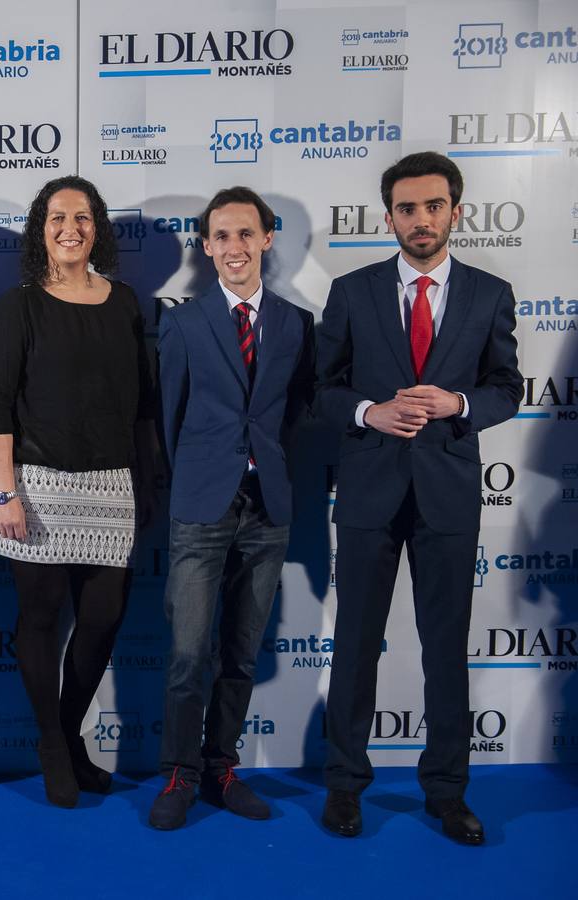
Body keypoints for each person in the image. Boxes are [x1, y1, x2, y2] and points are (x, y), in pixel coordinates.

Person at [316, 152, 522, 845]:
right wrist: (368, 411)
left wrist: (460, 401)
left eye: (434, 206)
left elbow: (506, 387)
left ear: (455, 212)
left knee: (445, 650)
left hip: (448, 495)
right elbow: (321, 390)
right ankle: (344, 786)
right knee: (354, 646)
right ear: (390, 218)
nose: (421, 219)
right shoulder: (352, 291)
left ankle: (447, 792)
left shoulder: (490, 294)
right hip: (372, 490)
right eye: (407, 208)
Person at [0, 175, 157, 808]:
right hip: (37, 484)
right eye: (57, 217)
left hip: (112, 483)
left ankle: (67, 733)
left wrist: (147, 483)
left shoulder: (129, 302)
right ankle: (55, 746)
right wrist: (4, 492)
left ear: (97, 227)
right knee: (41, 618)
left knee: (104, 617)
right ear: (40, 228)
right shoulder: (18, 306)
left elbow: (143, 407)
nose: (70, 228)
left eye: (82, 217)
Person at [149, 187, 314, 830]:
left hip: (267, 508)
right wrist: (200, 472)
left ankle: (221, 768)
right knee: (190, 652)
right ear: (206, 246)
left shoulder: (297, 324)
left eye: (245, 234)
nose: (233, 247)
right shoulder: (184, 322)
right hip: (200, 505)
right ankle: (179, 774)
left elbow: (297, 410)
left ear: (267, 239)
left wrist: (261, 460)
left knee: (242, 652)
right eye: (220, 237)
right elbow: (170, 414)